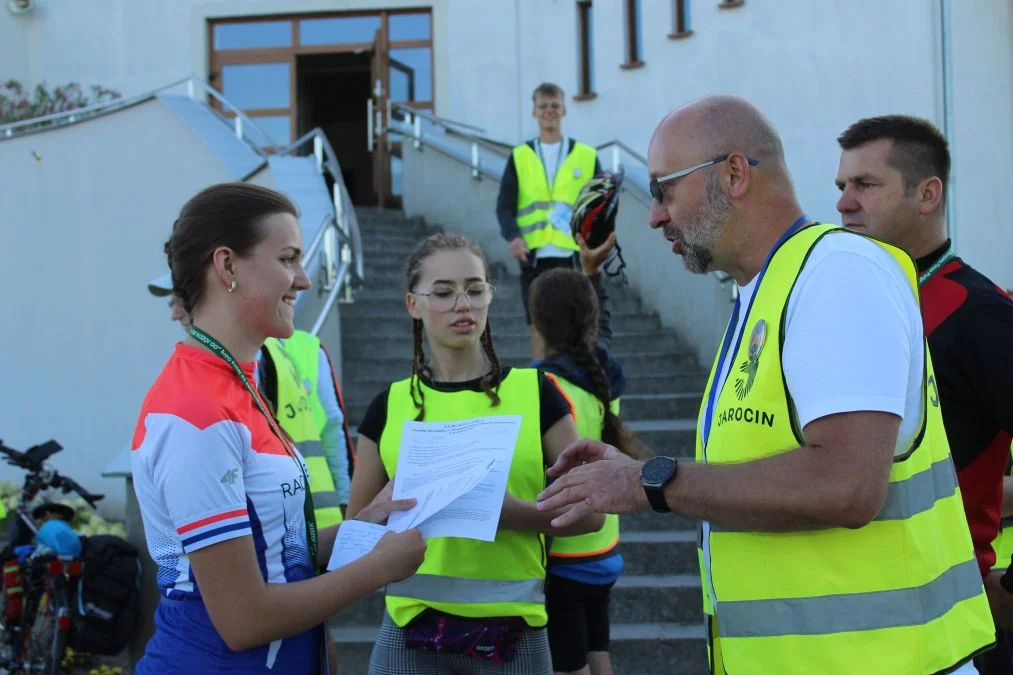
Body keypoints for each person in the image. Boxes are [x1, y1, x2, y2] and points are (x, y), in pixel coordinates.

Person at [535, 95, 995, 674]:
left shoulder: (836, 274)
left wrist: (648, 481)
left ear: (732, 174)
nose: (654, 215)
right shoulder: (769, 288)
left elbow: (846, 485)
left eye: (663, 189)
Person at [131, 182, 426, 674]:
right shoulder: (195, 412)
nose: (304, 280)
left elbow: (275, 555)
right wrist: (378, 568)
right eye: (288, 258)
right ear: (226, 266)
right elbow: (243, 619)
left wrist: (362, 525)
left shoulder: (238, 381)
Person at [346, 232, 605, 675]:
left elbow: (593, 514)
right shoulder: (389, 406)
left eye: (474, 288)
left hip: (514, 635)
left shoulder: (536, 394)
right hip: (410, 632)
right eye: (443, 293)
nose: (462, 303)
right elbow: (356, 534)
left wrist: (513, 513)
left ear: (490, 296)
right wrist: (393, 509)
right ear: (413, 305)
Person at [835, 114, 1013, 674]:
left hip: (954, 641)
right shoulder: (846, 305)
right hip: (851, 632)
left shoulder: (981, 314)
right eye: (841, 186)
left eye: (865, 184)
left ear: (927, 194)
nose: (843, 203)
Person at [147, 274, 355, 528]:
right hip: (298, 527)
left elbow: (332, 428)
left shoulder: (241, 360)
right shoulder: (209, 366)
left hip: (281, 532)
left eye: (180, 301)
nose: (174, 314)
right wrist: (346, 504)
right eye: (172, 304)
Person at [529, 231, 644, 675]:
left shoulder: (544, 386)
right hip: (605, 550)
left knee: (570, 667)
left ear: (535, 322)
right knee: (599, 659)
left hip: (566, 558)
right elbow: (600, 333)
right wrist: (590, 274)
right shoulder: (601, 376)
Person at [495, 82, 602, 358]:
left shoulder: (587, 156)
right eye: (543, 106)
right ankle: (541, 389)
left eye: (555, 106)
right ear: (534, 111)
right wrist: (514, 238)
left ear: (564, 109)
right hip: (534, 256)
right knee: (539, 326)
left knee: (580, 326)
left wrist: (595, 244)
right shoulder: (520, 156)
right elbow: (504, 207)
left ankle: (580, 387)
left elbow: (600, 208)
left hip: (575, 255)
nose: (549, 111)